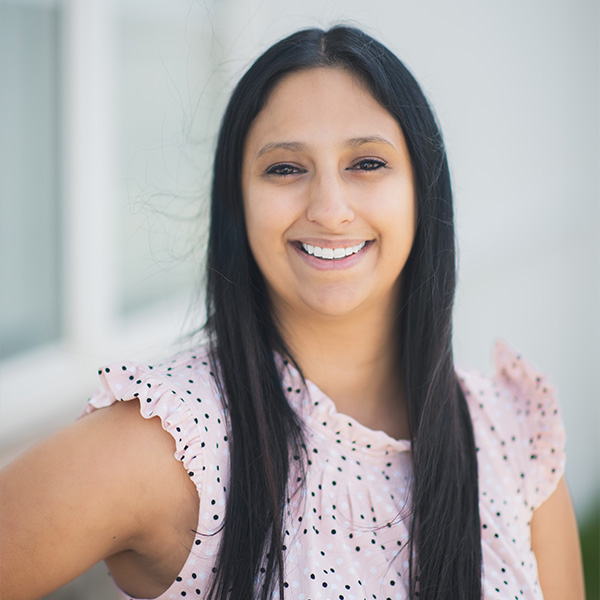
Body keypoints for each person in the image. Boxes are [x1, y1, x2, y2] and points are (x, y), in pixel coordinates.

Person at [0, 26, 584, 600]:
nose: (330, 210)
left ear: (422, 191)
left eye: (367, 163)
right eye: (285, 168)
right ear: (240, 204)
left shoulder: (512, 441)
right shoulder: (176, 442)